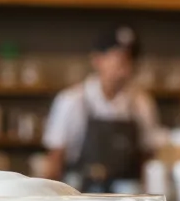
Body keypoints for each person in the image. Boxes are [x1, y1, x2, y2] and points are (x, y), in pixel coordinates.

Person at [44, 26, 162, 188]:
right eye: (119, 59)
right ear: (97, 60)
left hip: (127, 194)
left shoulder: (141, 102)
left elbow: (148, 154)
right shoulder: (72, 100)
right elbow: (55, 157)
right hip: (81, 191)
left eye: (130, 60)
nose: (125, 68)